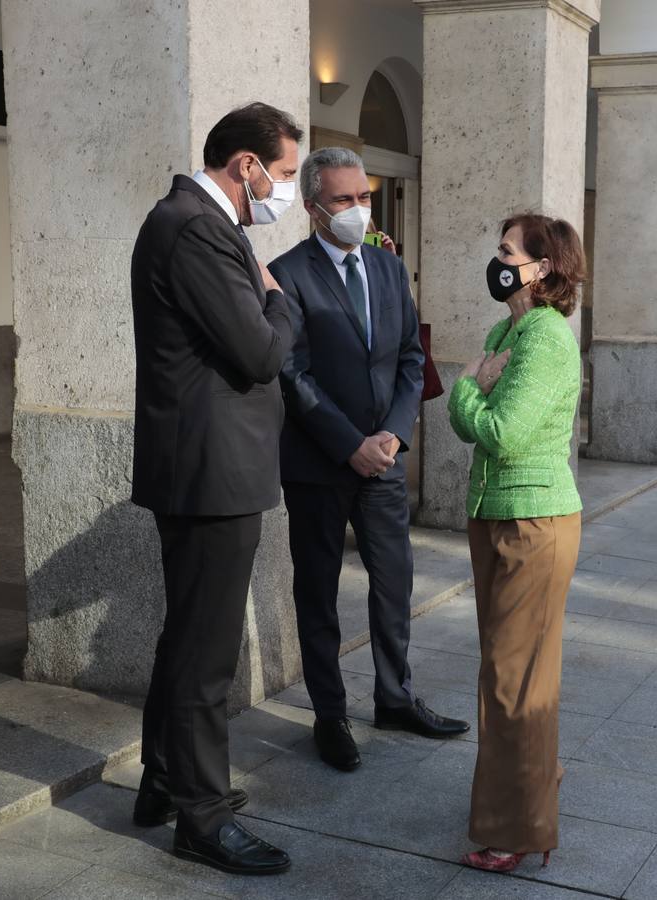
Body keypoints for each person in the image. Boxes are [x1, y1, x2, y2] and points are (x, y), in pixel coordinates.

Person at [129, 102, 301, 875]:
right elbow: (260, 353)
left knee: (188, 636)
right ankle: (202, 816)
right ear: (246, 165)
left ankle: (164, 780)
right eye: (286, 174)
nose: (284, 191)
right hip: (211, 469)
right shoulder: (196, 226)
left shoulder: (196, 222)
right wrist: (278, 295)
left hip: (207, 465)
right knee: (206, 653)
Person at [269, 148, 468, 774]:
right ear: (312, 208)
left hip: (382, 461)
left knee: (393, 583)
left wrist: (390, 436)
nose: (358, 210)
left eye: (365, 198)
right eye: (344, 201)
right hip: (319, 465)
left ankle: (394, 696)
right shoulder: (286, 274)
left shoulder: (388, 268)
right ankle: (329, 714)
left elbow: (411, 357)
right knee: (318, 593)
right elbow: (290, 370)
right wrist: (346, 443)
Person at [448, 213, 585, 873]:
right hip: (496, 515)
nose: (496, 259)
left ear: (543, 267)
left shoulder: (546, 339)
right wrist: (471, 393)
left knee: (513, 680)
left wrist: (469, 390)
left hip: (534, 523)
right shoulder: (506, 329)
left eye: (507, 251)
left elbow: (500, 432)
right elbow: (467, 416)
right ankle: (536, 775)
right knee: (509, 671)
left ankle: (522, 827)